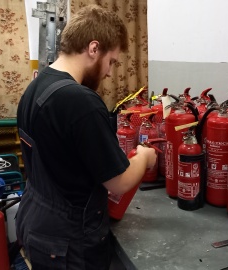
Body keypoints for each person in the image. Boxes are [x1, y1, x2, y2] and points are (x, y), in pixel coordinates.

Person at [15, 5, 156, 270]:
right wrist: (144, 156)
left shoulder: (37, 85)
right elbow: (120, 183)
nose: (109, 73)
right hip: (67, 241)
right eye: (111, 61)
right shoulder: (80, 101)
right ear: (93, 48)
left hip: (36, 218)